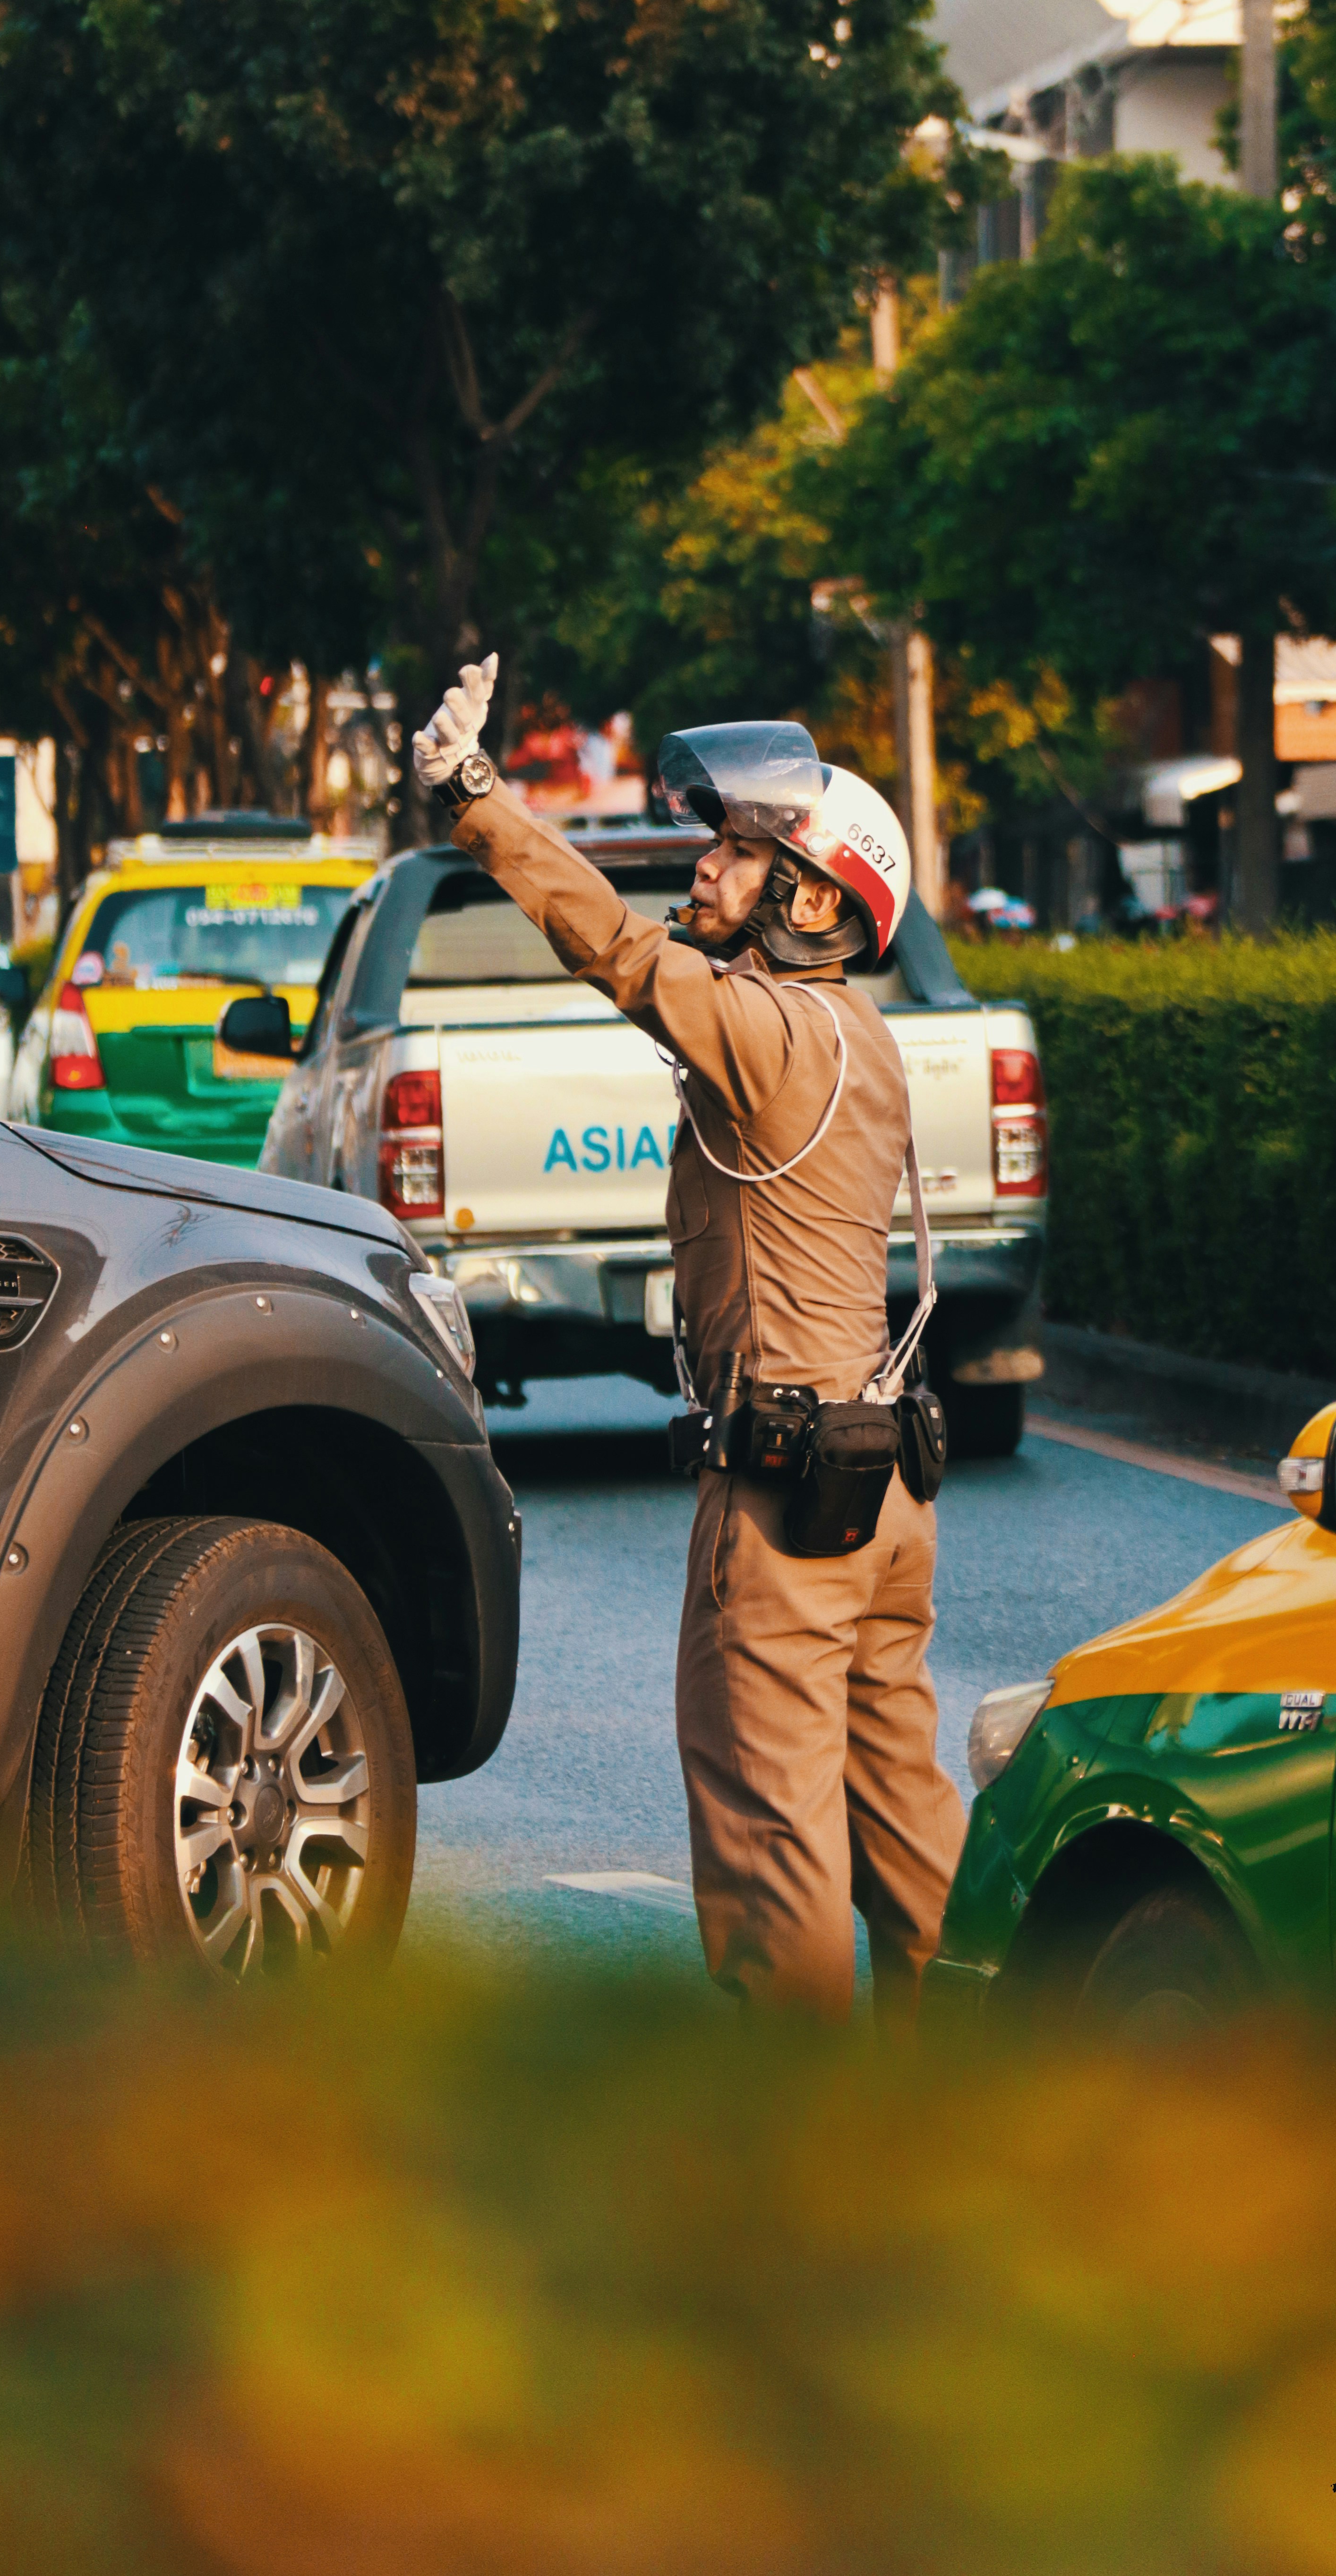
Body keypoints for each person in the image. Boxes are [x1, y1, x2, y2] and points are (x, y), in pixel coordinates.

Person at [414, 661, 967, 2024]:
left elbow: (610, 942)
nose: (706, 868)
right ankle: (974, 2099)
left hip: (784, 1505)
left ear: (817, 899)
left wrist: (479, 798)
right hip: (885, 1492)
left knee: (772, 1853)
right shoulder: (863, 1037)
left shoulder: (775, 1033)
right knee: (908, 1828)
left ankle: (792, 2178)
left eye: (739, 851)